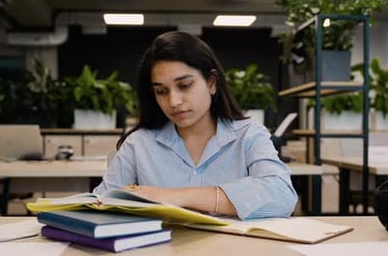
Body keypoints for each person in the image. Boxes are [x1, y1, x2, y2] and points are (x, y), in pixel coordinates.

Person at [93, 31, 297, 219]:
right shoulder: (139, 144)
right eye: (161, 91)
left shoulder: (249, 135)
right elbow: (100, 204)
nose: (174, 101)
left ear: (212, 83)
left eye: (184, 85)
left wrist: (180, 196)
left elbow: (282, 196)